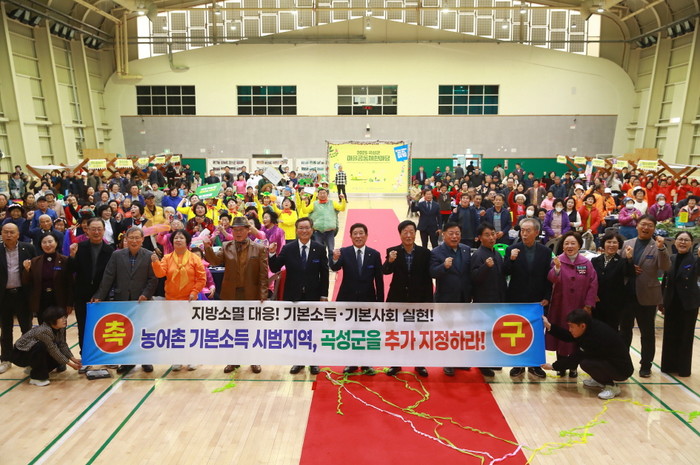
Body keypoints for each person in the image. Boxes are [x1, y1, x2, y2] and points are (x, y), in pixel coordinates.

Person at [204, 216, 268, 374]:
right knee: (231, 329)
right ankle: (233, 360)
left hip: (251, 294)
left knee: (252, 328)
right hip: (230, 294)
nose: (238, 233)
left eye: (241, 229)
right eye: (235, 230)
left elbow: (263, 274)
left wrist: (263, 294)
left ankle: (254, 360)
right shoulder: (226, 246)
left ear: (248, 230)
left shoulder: (259, 248)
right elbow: (214, 262)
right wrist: (207, 248)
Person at [93, 227, 159, 374]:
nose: (134, 241)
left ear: (142, 240)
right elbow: (108, 276)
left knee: (143, 331)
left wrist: (146, 294)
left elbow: (153, 279)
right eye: (131, 238)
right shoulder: (117, 255)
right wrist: (99, 295)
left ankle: (146, 360)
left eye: (137, 238)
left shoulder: (149, 255)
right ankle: (127, 362)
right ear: (126, 239)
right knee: (125, 332)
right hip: (121, 299)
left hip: (142, 301)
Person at [269, 217, 328, 375]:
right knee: (296, 330)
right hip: (293, 296)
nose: (304, 231)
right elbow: (275, 267)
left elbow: (324, 274)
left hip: (313, 296)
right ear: (296, 230)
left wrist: (323, 295)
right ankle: (298, 361)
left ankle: (314, 362)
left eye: (307, 228)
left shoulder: (319, 248)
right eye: (301, 228)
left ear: (312, 230)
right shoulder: (288, 248)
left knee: (313, 330)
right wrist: (272, 253)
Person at [542, 309, 634, 399]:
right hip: (609, 361)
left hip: (621, 370)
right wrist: (549, 326)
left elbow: (575, 359)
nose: (570, 330)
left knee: (586, 363)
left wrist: (553, 366)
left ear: (582, 326)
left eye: (572, 327)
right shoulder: (589, 327)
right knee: (587, 361)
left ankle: (611, 387)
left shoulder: (593, 337)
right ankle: (600, 380)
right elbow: (569, 336)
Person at [620, 215, 670, 378]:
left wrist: (662, 249)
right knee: (624, 332)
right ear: (637, 226)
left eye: (649, 225)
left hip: (648, 296)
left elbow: (665, 266)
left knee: (647, 333)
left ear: (654, 228)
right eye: (643, 224)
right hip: (627, 295)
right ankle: (623, 363)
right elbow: (620, 266)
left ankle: (646, 365)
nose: (645, 228)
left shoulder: (658, 246)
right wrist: (629, 267)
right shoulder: (627, 243)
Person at [330, 223, 384, 375]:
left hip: (368, 299)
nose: (358, 236)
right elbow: (335, 268)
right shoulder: (344, 252)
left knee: (366, 332)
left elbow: (379, 280)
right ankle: (351, 363)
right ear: (350, 236)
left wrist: (380, 302)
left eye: (361, 233)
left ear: (366, 236)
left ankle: (366, 364)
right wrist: (334, 259)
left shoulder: (374, 254)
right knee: (350, 332)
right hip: (347, 299)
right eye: (355, 233)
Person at [382, 220, 433, 378]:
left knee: (418, 333)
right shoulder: (393, 251)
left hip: (419, 299)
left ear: (415, 233)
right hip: (398, 298)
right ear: (400, 234)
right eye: (405, 232)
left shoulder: (425, 253)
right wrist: (389, 261)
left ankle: (419, 364)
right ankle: (396, 364)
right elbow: (385, 271)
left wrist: (429, 301)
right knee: (397, 332)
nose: (409, 235)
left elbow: (428, 279)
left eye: (411, 232)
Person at [152, 229, 206, 371]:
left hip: (189, 301)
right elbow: (160, 274)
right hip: (172, 300)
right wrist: (155, 262)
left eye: (181, 237)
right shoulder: (167, 258)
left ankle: (192, 359)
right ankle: (177, 358)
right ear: (172, 241)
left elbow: (201, 279)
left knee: (190, 330)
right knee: (175, 331)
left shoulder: (194, 258)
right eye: (176, 238)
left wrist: (194, 292)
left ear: (187, 241)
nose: (178, 240)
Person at [504, 218, 550, 378]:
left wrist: (547, 296)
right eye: (522, 230)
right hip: (517, 298)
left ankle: (535, 365)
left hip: (537, 300)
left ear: (536, 232)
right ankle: (518, 364)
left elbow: (548, 277)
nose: (524, 234)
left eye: (528, 231)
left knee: (537, 333)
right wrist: (511, 259)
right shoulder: (512, 249)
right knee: (517, 332)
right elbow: (504, 272)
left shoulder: (545, 251)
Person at [547, 231, 598, 378]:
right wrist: (556, 269)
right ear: (562, 246)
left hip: (580, 306)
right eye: (566, 243)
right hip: (560, 306)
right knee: (561, 334)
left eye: (573, 243)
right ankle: (561, 365)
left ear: (579, 245)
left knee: (578, 336)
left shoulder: (586, 263)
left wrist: (588, 305)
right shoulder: (557, 260)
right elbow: (551, 278)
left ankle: (574, 366)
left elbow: (593, 284)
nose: (570, 246)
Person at [67, 217, 114, 373]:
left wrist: (101, 294)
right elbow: (71, 270)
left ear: (104, 230)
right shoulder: (79, 247)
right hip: (82, 295)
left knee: (104, 327)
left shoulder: (110, 250)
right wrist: (72, 256)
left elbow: (110, 276)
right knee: (83, 327)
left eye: (99, 229)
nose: (96, 232)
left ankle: (106, 357)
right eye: (93, 229)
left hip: (102, 296)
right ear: (87, 230)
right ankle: (86, 358)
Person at [430, 222, 471, 376]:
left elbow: (468, 273)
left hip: (464, 298)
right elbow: (432, 272)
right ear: (444, 234)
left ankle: (459, 361)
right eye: (451, 233)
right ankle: (447, 362)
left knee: (461, 331)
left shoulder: (466, 249)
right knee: (447, 332)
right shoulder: (436, 252)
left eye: (457, 233)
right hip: (446, 299)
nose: (455, 237)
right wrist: (444, 267)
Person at [659, 231, 699, 377]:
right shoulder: (672, 258)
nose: (682, 242)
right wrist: (661, 301)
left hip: (688, 304)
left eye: (686, 240)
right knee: (670, 335)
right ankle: (668, 366)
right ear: (675, 242)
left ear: (691, 243)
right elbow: (665, 280)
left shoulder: (695, 260)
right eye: (680, 239)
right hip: (671, 302)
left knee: (685, 337)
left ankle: (683, 368)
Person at [470, 222, 507, 377]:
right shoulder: (478, 255)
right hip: (484, 301)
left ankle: (492, 360)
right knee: (485, 333)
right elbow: (474, 278)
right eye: (487, 235)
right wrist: (485, 266)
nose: (491, 237)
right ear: (479, 238)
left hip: (497, 299)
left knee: (494, 332)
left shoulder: (496, 253)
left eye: (493, 234)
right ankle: (482, 363)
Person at [11, 306, 81, 386]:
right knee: (41, 346)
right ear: (52, 320)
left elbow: (62, 344)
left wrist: (73, 359)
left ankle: (35, 368)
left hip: (31, 352)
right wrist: (71, 365)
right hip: (20, 355)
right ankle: (36, 378)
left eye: (65, 317)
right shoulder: (44, 331)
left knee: (58, 354)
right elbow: (53, 350)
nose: (65, 320)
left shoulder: (61, 328)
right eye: (61, 318)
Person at [0, 223, 37, 374]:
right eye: (5, 232)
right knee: (5, 329)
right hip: (3, 295)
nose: (8, 235)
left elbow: (35, 271)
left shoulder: (28, 248)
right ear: (1, 234)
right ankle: (5, 359)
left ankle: (29, 360)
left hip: (23, 294)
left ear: (18, 234)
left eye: (11, 232)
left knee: (27, 329)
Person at [22, 233, 72, 325]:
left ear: (56, 243)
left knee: (59, 327)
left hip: (59, 300)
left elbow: (70, 283)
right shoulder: (35, 261)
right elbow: (27, 281)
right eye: (44, 242)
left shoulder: (65, 260)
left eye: (50, 241)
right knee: (43, 327)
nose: (47, 245)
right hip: (41, 299)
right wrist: (27, 270)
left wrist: (69, 303)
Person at [591, 232, 627, 330]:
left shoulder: (623, 262)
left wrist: (630, 259)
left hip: (614, 305)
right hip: (597, 303)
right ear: (603, 244)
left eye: (614, 242)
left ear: (619, 245)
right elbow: (591, 280)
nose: (611, 245)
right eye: (609, 242)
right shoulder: (594, 261)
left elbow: (629, 274)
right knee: (596, 330)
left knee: (611, 331)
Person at [307, 187, 346, 258]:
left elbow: (342, 208)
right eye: (320, 193)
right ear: (318, 195)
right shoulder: (314, 204)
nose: (322, 195)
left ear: (327, 194)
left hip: (330, 231)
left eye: (324, 193)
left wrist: (343, 199)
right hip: (318, 231)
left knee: (331, 249)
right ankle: (321, 263)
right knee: (319, 249)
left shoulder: (332, 203)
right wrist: (303, 202)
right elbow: (305, 210)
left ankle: (331, 263)